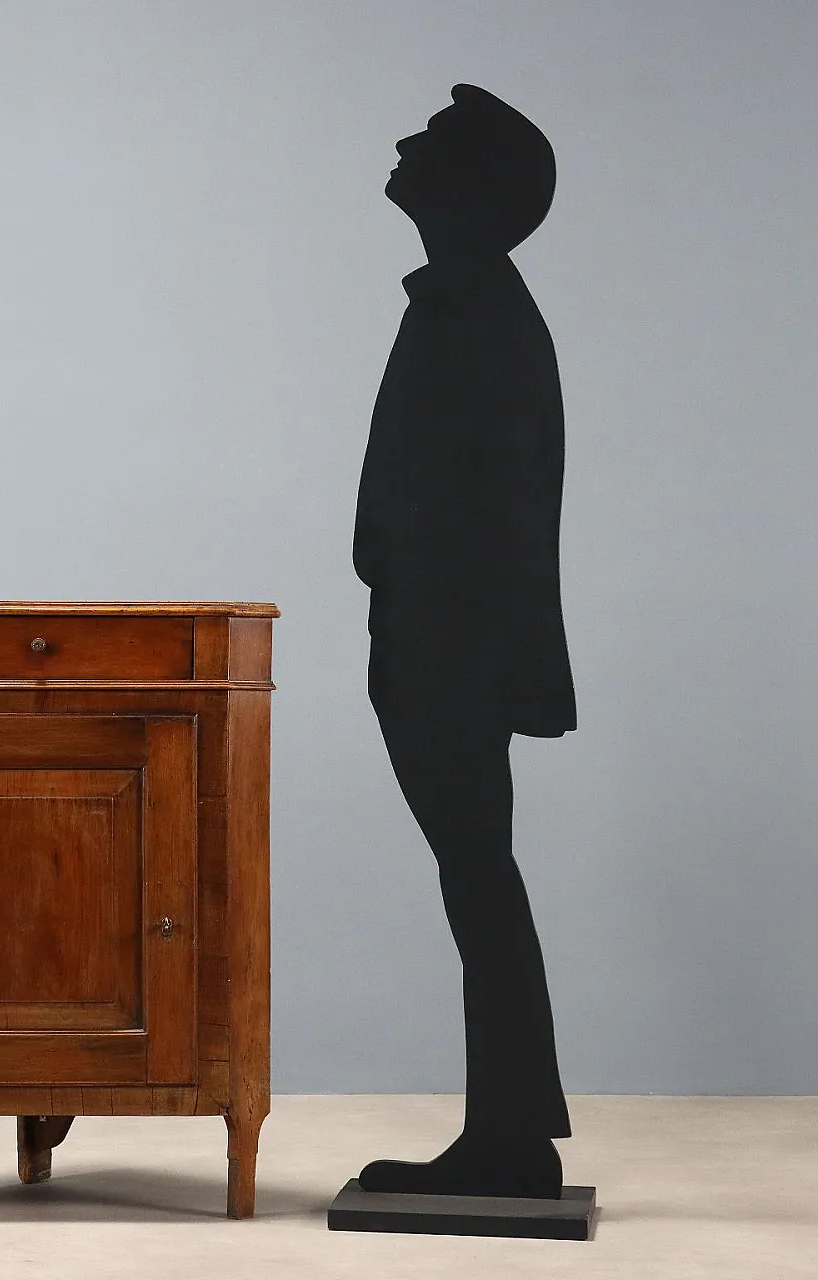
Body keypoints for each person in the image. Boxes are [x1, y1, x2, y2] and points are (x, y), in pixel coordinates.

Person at [353, 84, 576, 1199]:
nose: (403, 143)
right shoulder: (468, 302)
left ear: (475, 188)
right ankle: (510, 1123)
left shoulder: (477, 309)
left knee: (477, 876)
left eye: (433, 141)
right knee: (477, 875)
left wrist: (430, 626)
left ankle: (509, 1132)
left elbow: (489, 505)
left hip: (452, 643)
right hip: (440, 636)